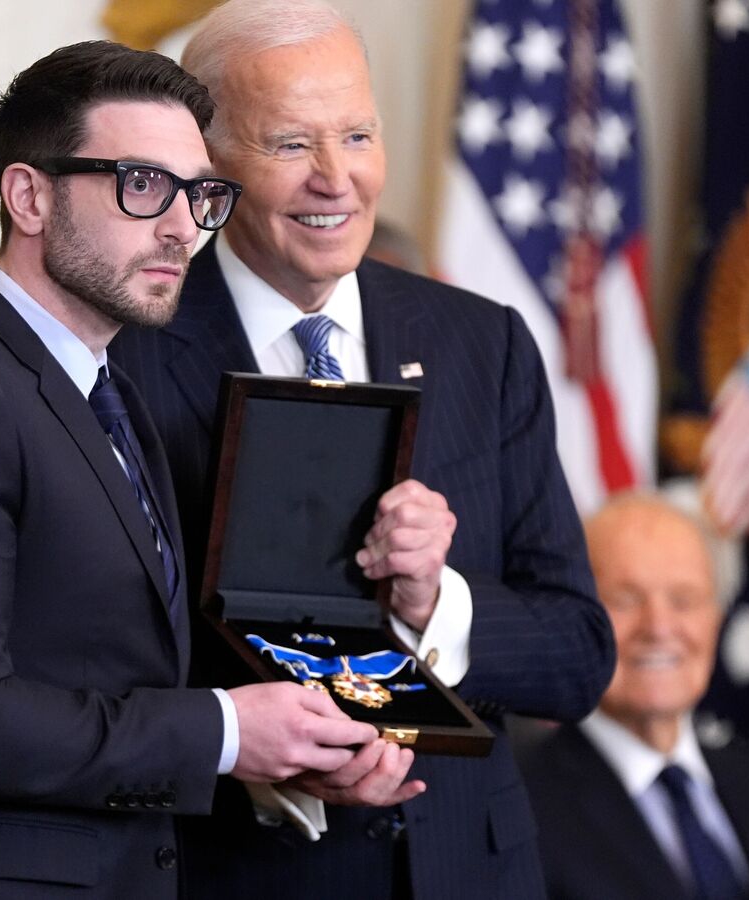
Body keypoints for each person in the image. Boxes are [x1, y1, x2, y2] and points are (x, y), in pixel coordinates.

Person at [0, 40, 381, 898]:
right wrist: (224, 731)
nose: (182, 227)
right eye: (142, 184)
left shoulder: (109, 393)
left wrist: (286, 751)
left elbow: (109, 678)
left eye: (200, 194)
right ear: (29, 195)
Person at [107, 2, 616, 896]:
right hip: (236, 871)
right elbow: (96, 670)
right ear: (212, 164)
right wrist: (258, 760)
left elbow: (577, 652)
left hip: (469, 871)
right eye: (292, 145)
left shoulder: (481, 345)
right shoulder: (127, 356)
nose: (336, 179)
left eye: (357, 135)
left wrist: (435, 607)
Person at [519, 493, 749, 899]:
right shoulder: (522, 810)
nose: (659, 627)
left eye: (684, 599)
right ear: (573, 620)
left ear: (716, 620)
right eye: (625, 599)